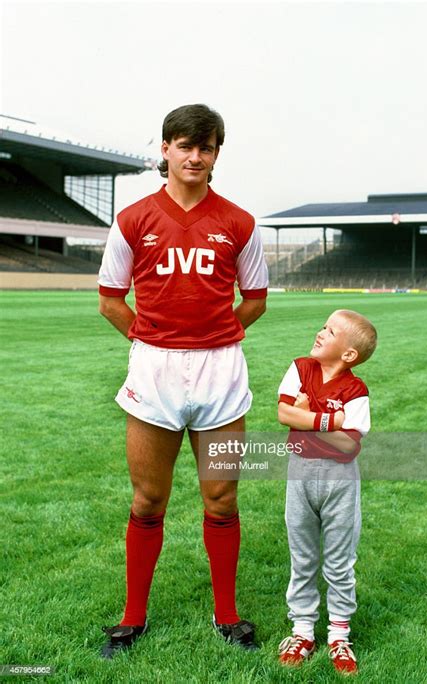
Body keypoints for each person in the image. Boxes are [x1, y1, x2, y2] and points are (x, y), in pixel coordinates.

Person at [97, 104, 268, 658]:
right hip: (155, 368)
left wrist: (215, 333)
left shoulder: (240, 222)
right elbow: (110, 299)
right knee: (148, 500)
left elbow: (257, 299)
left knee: (221, 499)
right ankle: (132, 618)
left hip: (221, 369)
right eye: (184, 145)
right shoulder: (132, 219)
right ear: (165, 150)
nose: (195, 156)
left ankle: (228, 615)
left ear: (217, 154)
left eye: (207, 147)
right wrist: (148, 341)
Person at [276, 309, 377, 675]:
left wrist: (310, 420)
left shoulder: (356, 390)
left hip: (340, 479)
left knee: (339, 561)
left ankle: (338, 633)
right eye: (322, 326)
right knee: (302, 555)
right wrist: (329, 422)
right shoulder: (300, 367)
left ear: (348, 354)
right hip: (300, 473)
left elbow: (349, 446)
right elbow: (285, 415)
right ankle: (302, 630)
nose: (319, 333)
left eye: (329, 331)